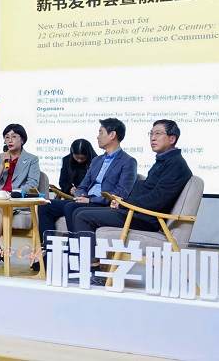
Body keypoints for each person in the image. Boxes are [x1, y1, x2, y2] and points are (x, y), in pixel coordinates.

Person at [75, 119, 192, 277]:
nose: (153, 138)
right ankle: (87, 265)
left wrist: (124, 203)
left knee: (83, 217)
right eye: (151, 133)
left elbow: (157, 199)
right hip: (137, 213)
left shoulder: (175, 164)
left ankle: (92, 270)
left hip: (145, 219)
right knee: (79, 211)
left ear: (172, 139)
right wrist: (122, 201)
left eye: (158, 134)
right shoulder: (164, 161)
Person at [34, 118, 137, 270]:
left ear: (112, 135)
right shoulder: (97, 161)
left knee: (71, 207)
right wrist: (81, 195)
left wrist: (90, 200)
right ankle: (48, 255)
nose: (97, 136)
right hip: (85, 201)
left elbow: (121, 192)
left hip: (103, 205)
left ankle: (74, 257)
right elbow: (83, 185)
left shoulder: (128, 161)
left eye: (101, 132)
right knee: (46, 205)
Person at [0, 123, 40, 266]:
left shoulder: (32, 159)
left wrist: (13, 193)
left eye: (14, 137)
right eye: (7, 137)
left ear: (22, 139)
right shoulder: (2, 157)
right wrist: (1, 165)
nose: (9, 140)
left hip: (16, 200)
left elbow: (32, 184)